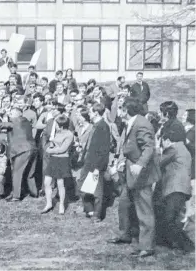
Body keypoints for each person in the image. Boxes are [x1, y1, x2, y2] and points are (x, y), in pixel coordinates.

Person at [108, 97, 159, 258]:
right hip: (130, 172)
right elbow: (128, 146)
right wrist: (120, 162)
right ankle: (126, 234)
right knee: (124, 204)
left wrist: (140, 164)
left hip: (142, 174)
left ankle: (147, 246)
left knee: (144, 210)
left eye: (121, 109)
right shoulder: (131, 123)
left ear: (128, 110)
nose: (119, 112)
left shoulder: (142, 123)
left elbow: (149, 147)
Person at [154, 131, 195, 253]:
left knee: (169, 219)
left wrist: (156, 148)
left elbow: (158, 162)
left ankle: (188, 246)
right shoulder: (183, 148)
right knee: (171, 217)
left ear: (167, 140)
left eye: (163, 142)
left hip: (175, 188)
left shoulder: (173, 148)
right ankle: (169, 242)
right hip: (181, 188)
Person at [79, 103, 111, 222]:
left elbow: (104, 149)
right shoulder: (96, 125)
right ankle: (90, 210)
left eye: (91, 112)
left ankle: (96, 214)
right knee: (82, 187)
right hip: (88, 162)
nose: (89, 115)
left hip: (96, 164)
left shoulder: (103, 126)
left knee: (97, 191)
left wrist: (98, 166)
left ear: (96, 113)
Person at [0, 107, 38, 202]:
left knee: (17, 172)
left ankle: (16, 196)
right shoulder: (25, 120)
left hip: (22, 150)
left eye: (11, 113)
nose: (9, 114)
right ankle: (34, 192)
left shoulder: (15, 121)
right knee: (30, 172)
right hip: (32, 148)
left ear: (18, 114)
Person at [42, 114, 74, 215]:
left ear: (61, 125)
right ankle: (49, 203)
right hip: (54, 159)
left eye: (56, 124)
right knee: (47, 182)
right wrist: (51, 145)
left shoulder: (69, 134)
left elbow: (63, 149)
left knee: (60, 184)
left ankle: (61, 205)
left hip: (62, 160)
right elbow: (54, 143)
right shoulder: (57, 132)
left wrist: (49, 150)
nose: (54, 125)